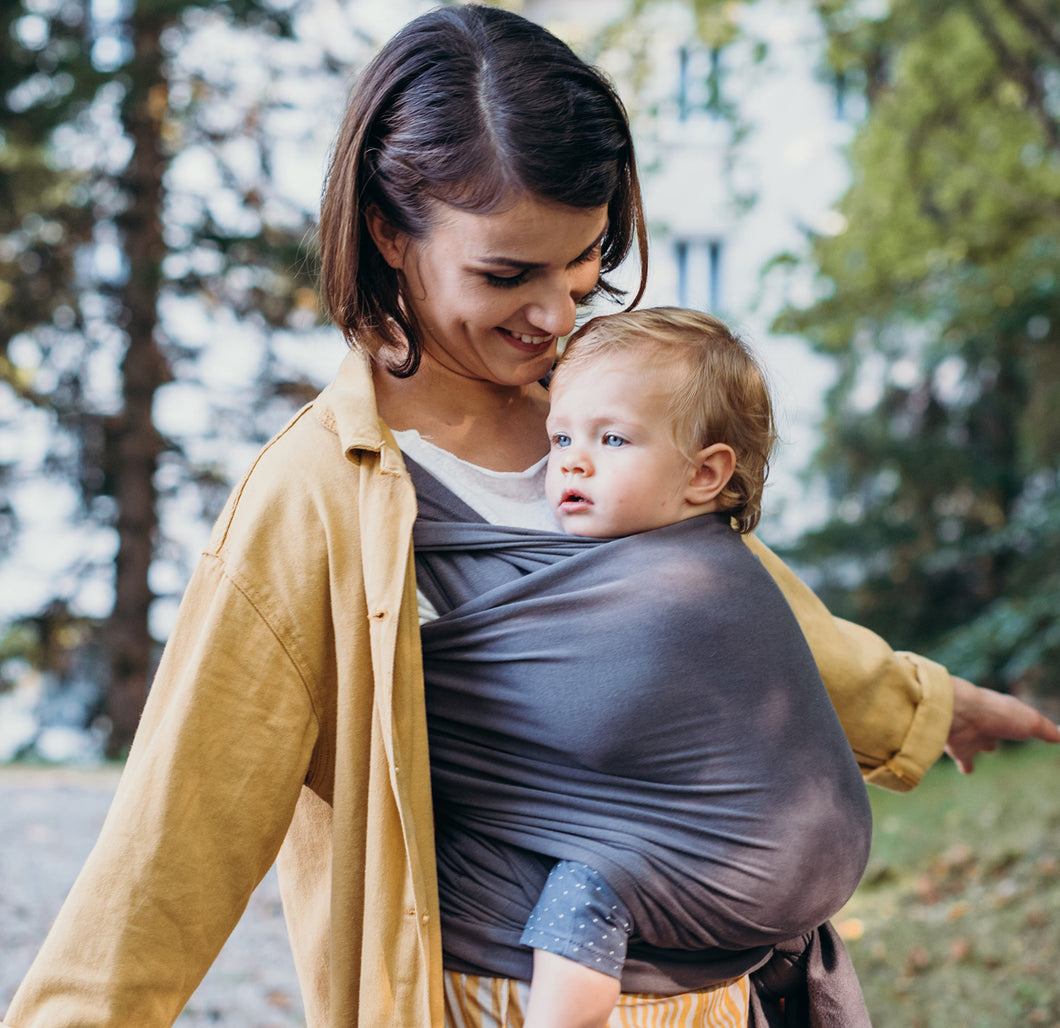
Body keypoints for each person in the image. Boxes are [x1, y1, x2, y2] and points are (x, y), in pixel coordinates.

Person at [3, 6, 1056, 1028]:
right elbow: (174, 836)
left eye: (583, 260)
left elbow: (740, 626)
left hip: (713, 993)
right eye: (506, 272)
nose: (554, 314)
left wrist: (931, 704)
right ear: (388, 230)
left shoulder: (600, 419)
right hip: (488, 992)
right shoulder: (319, 499)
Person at [410, 306, 873, 1028]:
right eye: (560, 435)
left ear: (705, 474)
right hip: (765, 867)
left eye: (612, 438)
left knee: (587, 882)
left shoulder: (710, 577)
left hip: (704, 857)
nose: (570, 460)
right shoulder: (670, 562)